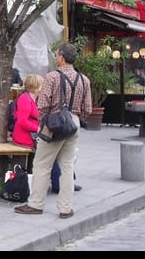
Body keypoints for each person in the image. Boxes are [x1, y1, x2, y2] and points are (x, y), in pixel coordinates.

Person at [14, 42, 92, 219]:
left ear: (62, 58)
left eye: (57, 55)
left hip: (54, 123)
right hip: (73, 123)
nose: (56, 57)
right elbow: (87, 108)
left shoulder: (52, 77)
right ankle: (65, 208)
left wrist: (44, 125)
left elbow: (42, 105)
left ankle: (36, 204)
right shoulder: (84, 80)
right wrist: (76, 117)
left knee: (42, 164)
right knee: (67, 165)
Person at [11, 73, 43, 149]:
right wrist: (38, 129)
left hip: (31, 136)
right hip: (25, 138)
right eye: (42, 85)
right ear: (36, 86)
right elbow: (22, 121)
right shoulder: (25, 99)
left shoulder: (32, 98)